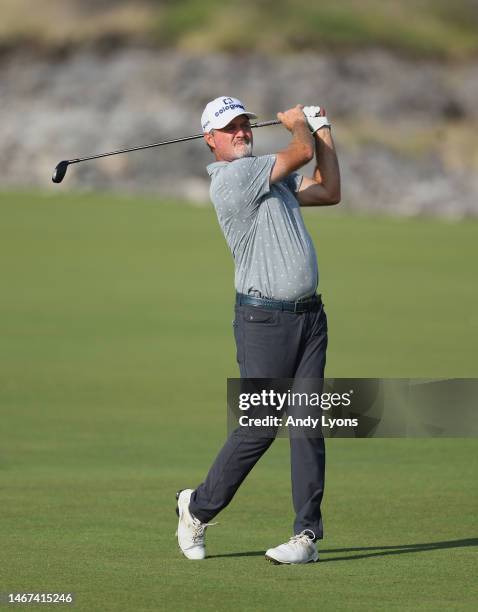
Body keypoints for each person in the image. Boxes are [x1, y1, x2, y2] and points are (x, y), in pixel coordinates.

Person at [176, 96, 340, 564]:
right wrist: (298, 127)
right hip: (264, 321)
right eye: (231, 128)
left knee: (309, 426)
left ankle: (306, 537)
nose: (243, 132)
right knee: (259, 429)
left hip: (310, 318)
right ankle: (197, 508)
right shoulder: (232, 179)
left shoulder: (273, 179)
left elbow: (329, 191)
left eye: (246, 124)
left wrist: (322, 129)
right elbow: (300, 154)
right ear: (211, 140)